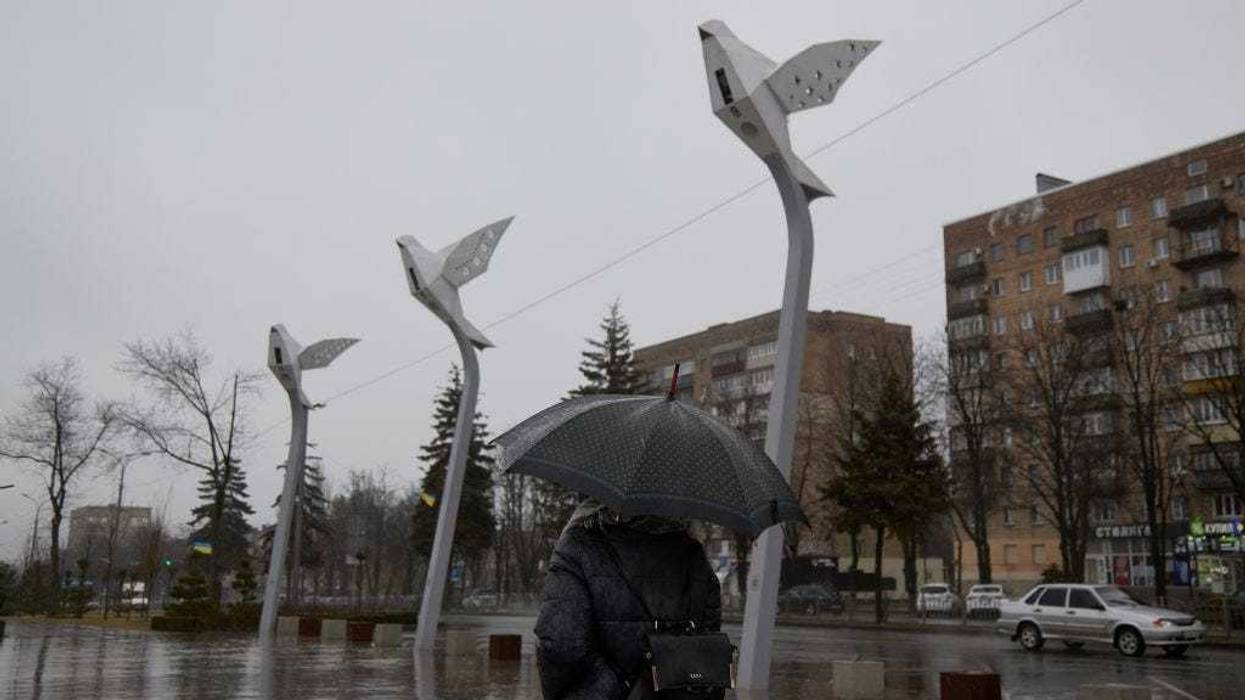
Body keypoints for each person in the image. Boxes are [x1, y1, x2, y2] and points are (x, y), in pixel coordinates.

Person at [535, 499, 723, 699]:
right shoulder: (694, 556)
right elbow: (705, 645)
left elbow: (561, 645)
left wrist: (615, 686)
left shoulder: (578, 547)